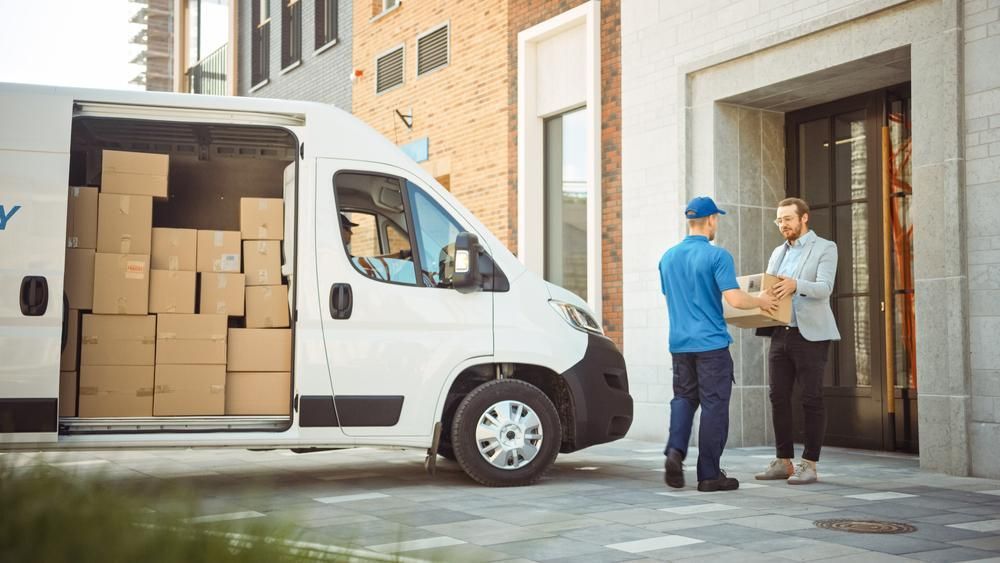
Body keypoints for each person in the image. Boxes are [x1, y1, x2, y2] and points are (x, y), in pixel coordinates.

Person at [660, 196, 779, 492]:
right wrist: (762, 300)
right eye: (717, 219)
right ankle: (709, 475)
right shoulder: (717, 256)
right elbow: (736, 299)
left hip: (680, 344)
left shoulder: (668, 257)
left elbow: (675, 297)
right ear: (711, 220)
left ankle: (675, 452)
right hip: (711, 345)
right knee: (714, 406)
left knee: (684, 399)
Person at [753, 197, 840, 485]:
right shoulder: (778, 252)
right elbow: (770, 287)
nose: (782, 225)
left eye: (787, 219)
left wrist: (795, 285)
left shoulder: (825, 248)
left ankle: (810, 464)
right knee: (778, 396)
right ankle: (783, 461)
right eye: (779, 220)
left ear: (804, 218)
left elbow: (825, 288)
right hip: (781, 332)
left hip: (811, 334)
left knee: (811, 397)